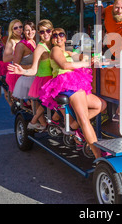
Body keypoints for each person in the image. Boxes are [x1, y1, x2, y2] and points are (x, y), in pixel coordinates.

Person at [39, 28, 107, 159]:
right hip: (66, 83)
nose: (58, 37)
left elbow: (82, 56)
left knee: (100, 104)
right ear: (52, 39)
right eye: (55, 35)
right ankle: (98, 155)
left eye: (61, 34)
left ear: (65, 38)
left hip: (75, 82)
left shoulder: (66, 51)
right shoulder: (55, 50)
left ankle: (73, 126)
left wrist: (87, 57)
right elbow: (64, 65)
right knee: (84, 119)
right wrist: (84, 62)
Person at [8, 19, 58, 131]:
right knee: (50, 102)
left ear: (52, 31)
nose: (45, 34)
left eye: (48, 31)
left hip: (53, 79)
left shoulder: (53, 44)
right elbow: (33, 69)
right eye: (42, 32)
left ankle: (51, 122)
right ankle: (38, 121)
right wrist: (23, 71)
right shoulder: (39, 47)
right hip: (44, 80)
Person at [11, 21, 37, 101]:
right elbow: (15, 65)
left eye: (32, 29)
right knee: (35, 106)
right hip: (28, 79)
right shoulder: (21, 45)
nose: (30, 32)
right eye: (27, 30)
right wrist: (31, 67)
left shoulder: (34, 42)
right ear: (23, 31)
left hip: (36, 77)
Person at [4, 19, 23, 93]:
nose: (19, 29)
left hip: (26, 71)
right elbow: (5, 58)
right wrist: (18, 54)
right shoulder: (11, 41)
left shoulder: (24, 38)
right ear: (12, 30)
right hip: (16, 73)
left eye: (20, 27)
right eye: (15, 28)